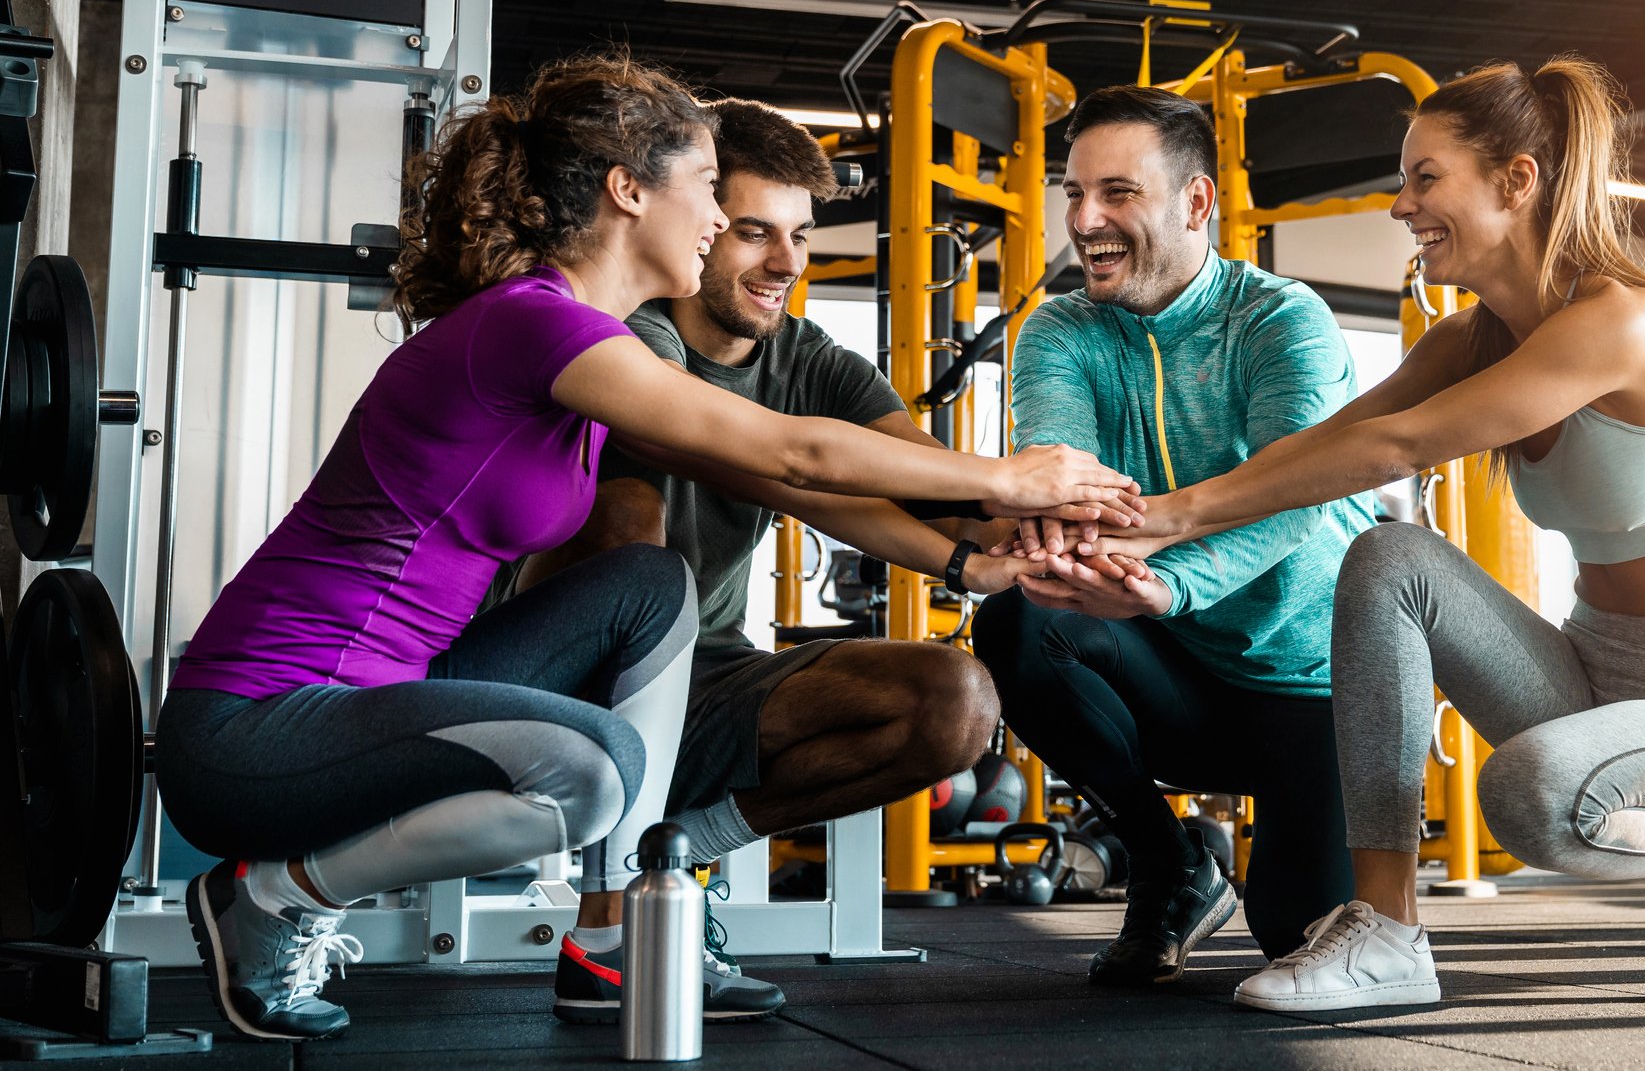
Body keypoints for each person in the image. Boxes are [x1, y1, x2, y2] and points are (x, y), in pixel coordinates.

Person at [156, 53, 1139, 1043]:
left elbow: (800, 474)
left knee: (649, 583)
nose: (719, 223)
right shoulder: (536, 327)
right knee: (595, 765)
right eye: (713, 192)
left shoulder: (583, 337)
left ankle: (629, 918)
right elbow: (791, 453)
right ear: (629, 190)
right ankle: (282, 893)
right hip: (257, 729)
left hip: (386, 689)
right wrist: (1008, 477)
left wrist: (992, 554)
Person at [1064, 57, 1645, 1013]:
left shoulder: (1626, 325)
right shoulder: (1465, 342)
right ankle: (1387, 931)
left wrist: (1166, 519)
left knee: (1528, 792)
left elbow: (1394, 445)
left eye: (1424, 178)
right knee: (1390, 557)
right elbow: (1325, 444)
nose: (1399, 205)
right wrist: (1142, 539)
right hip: (1584, 674)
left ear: (1515, 182)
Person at [511, 98, 1046, 1020]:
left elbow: (931, 484)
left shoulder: (808, 359)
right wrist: (980, 514)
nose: (787, 264)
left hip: (711, 677)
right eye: (755, 233)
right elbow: (789, 468)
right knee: (634, 525)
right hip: (558, 681)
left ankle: (680, 854)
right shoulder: (627, 331)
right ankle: (611, 932)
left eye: (799, 235)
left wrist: (1058, 526)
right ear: (703, 223)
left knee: (954, 701)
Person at [970, 84, 1376, 988]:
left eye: (1117, 192)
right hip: (1177, 676)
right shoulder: (1060, 331)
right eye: (1073, 193)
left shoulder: (1280, 320)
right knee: (1019, 625)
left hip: (1314, 684)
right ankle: (1169, 863)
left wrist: (1172, 581)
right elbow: (1069, 490)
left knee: (1300, 950)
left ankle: (1273, 874)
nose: (1085, 219)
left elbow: (1294, 494)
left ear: (1195, 203)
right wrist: (1119, 568)